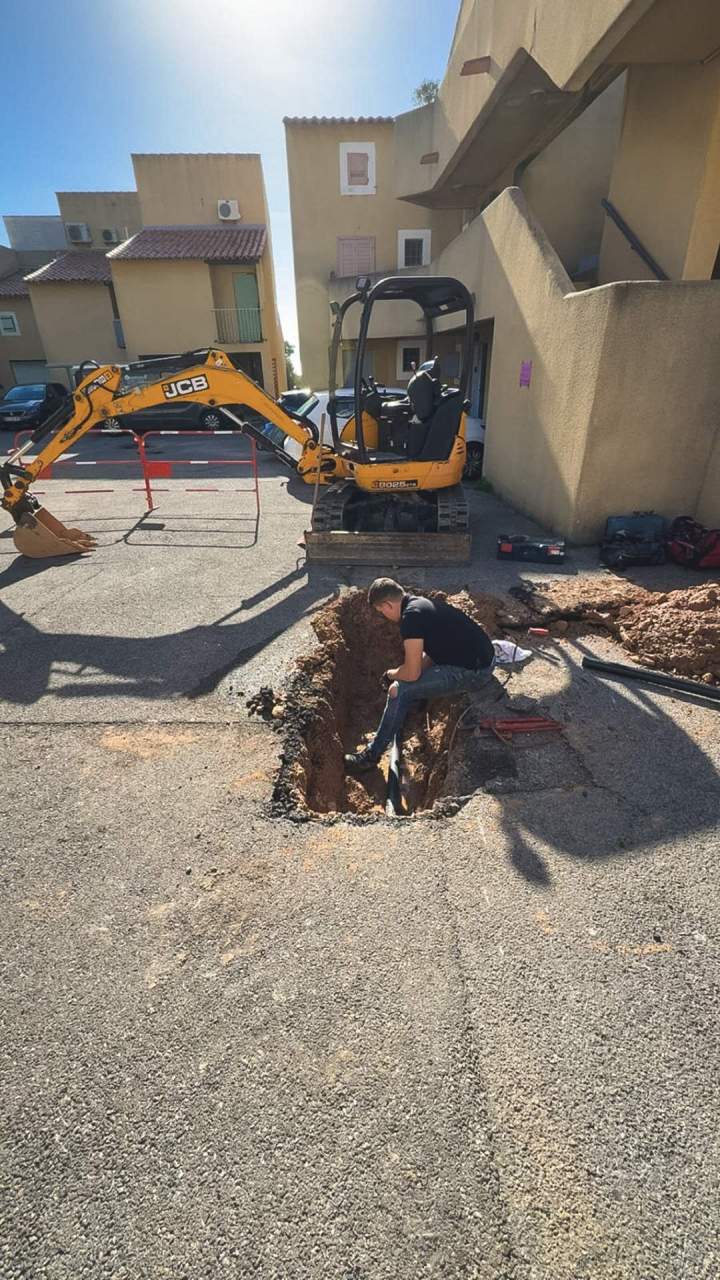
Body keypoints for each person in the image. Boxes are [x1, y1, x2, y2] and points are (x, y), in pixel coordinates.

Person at [344, 578, 496, 772]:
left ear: (388, 605)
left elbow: (412, 672)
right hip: (481, 659)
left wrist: (392, 675)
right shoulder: (420, 605)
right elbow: (431, 654)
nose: (384, 616)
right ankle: (414, 701)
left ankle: (371, 756)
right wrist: (406, 677)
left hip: (475, 672)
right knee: (406, 682)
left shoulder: (411, 619)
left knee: (399, 690)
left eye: (381, 611)